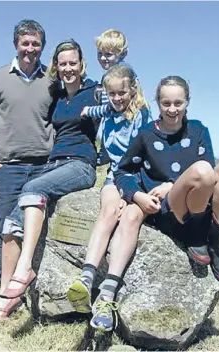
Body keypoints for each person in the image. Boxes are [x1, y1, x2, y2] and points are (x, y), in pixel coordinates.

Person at [102, 75, 219, 331]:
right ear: (157, 102)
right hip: (170, 212)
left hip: (199, 203)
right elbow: (123, 172)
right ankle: (197, 238)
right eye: (166, 103)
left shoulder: (198, 130)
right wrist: (138, 196)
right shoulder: (146, 134)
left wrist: (174, 183)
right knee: (202, 170)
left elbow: (210, 170)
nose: (172, 109)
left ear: (187, 102)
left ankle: (215, 244)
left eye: (178, 103)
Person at [0, 39, 101, 320]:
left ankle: (25, 267)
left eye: (72, 63)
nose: (68, 68)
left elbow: (123, 108)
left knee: (31, 188)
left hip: (80, 165)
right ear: (57, 66)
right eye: (62, 63)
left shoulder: (95, 92)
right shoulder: (56, 95)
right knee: (9, 223)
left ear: (81, 64)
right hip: (52, 164)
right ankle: (6, 295)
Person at [0, 19, 59, 311]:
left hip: (43, 167)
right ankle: (4, 290)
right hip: (8, 169)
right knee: (6, 228)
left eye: (35, 44)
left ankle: (31, 286)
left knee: (38, 230)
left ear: (42, 47)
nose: (30, 49)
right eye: (25, 43)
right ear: (16, 44)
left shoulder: (52, 81)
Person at [66, 64, 151, 331]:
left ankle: (107, 294)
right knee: (108, 211)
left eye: (122, 93)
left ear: (132, 90)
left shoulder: (142, 116)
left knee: (127, 217)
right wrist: (84, 110)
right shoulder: (108, 110)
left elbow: (145, 153)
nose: (117, 99)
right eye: (111, 93)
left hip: (137, 179)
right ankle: (87, 276)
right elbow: (93, 110)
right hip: (113, 176)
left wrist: (133, 192)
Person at [81, 29, 135, 165]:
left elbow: (111, 107)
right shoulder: (126, 71)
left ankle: (109, 158)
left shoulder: (116, 76)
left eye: (108, 54)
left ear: (122, 54)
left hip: (122, 124)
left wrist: (89, 110)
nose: (103, 58)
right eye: (100, 54)